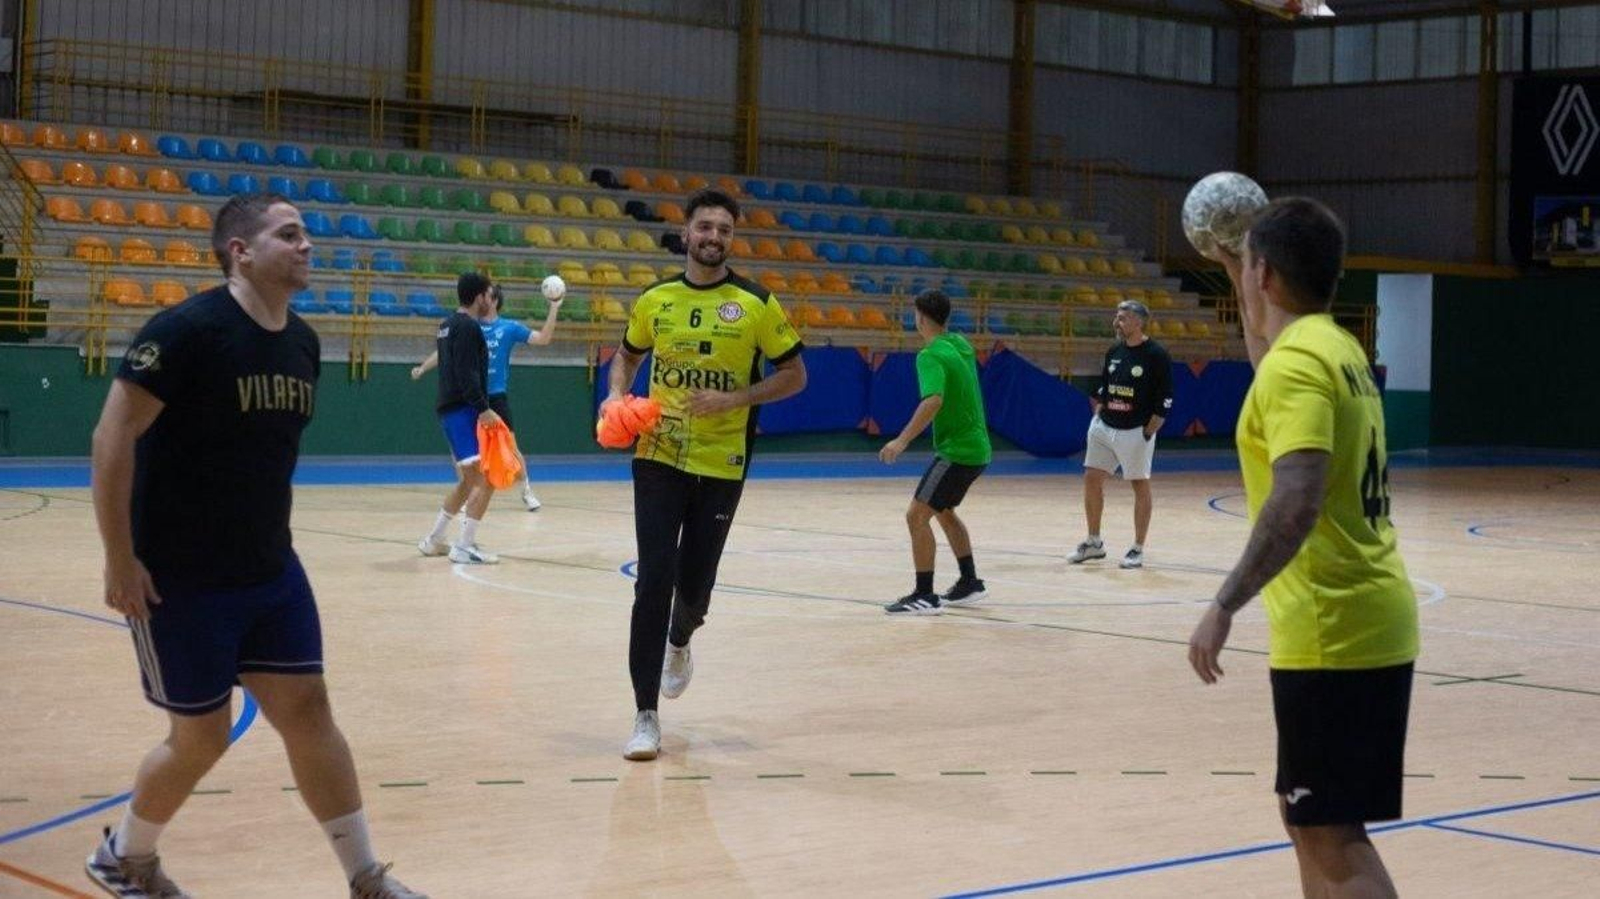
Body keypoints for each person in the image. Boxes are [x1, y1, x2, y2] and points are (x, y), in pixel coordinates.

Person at [87, 193, 426, 899]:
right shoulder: (187, 331)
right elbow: (113, 435)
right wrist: (120, 558)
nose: (307, 245)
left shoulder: (303, 342)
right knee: (202, 737)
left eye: (305, 234)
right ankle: (125, 856)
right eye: (289, 234)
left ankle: (365, 876)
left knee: (310, 711)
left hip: (270, 567)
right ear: (240, 250)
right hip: (179, 577)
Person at [1187, 197, 1418, 899]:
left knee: (1332, 836)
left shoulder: (1299, 365)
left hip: (1334, 628)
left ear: (1267, 272)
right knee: (1310, 820)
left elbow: (1295, 501)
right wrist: (1239, 273)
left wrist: (1224, 604)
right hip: (1361, 620)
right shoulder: (1334, 348)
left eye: (1249, 263)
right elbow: (1272, 362)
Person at [604, 188, 806, 761]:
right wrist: (617, 393)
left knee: (694, 589)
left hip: (723, 463)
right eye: (704, 227)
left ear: (731, 239)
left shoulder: (757, 304)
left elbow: (795, 376)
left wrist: (737, 398)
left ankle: (681, 638)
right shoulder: (655, 299)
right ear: (686, 232)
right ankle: (645, 715)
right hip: (658, 455)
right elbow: (627, 355)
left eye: (724, 229)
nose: (713, 237)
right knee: (653, 581)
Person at [877, 289, 992, 616]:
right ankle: (969, 582)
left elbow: (933, 400)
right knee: (943, 510)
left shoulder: (930, 355)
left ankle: (924, 595)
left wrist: (901, 440)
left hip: (958, 451)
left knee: (916, 516)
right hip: (978, 447)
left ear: (920, 318)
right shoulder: (959, 345)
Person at [411, 283, 562, 511]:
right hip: (470, 399)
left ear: (493, 301)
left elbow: (543, 338)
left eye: (486, 295)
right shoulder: (468, 326)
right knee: (463, 452)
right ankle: (466, 490)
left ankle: (526, 490)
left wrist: (554, 308)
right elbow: (444, 352)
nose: (481, 298)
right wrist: (423, 367)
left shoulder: (509, 327)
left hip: (496, 398)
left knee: (510, 448)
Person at [1068, 299, 1173, 569]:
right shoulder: (1114, 350)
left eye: (1122, 318)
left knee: (1139, 485)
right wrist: (1098, 417)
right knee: (1092, 478)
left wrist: (1149, 430)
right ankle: (1094, 543)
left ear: (1138, 322)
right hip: (1105, 426)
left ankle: (1137, 548)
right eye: (1117, 317)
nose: (1117, 322)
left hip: (1135, 431)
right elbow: (1103, 387)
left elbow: (1166, 397)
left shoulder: (1156, 355)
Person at [415, 272, 504, 564]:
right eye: (489, 295)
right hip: (463, 410)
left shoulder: (446, 326)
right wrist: (483, 408)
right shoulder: (468, 328)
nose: (491, 300)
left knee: (468, 481)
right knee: (486, 479)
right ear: (478, 297)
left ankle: (434, 540)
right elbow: (467, 374)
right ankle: (464, 547)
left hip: (451, 409)